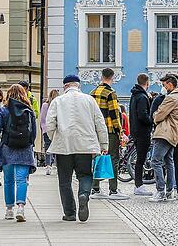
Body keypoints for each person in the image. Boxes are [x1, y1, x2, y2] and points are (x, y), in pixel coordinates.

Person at [45, 75, 108, 222]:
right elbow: (100, 123)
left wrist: (55, 138)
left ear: (65, 86)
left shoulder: (57, 101)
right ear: (78, 86)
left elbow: (49, 124)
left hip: (64, 146)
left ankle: (70, 213)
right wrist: (103, 145)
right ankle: (84, 194)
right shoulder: (89, 100)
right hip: (85, 146)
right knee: (85, 175)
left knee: (64, 180)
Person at [0, 84, 37, 222]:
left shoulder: (3, 110)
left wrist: (2, 137)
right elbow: (34, 133)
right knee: (21, 180)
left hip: (7, 148)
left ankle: (9, 209)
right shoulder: (29, 110)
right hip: (24, 149)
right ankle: (21, 207)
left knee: (8, 180)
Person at [89, 68, 127, 200]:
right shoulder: (110, 93)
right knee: (113, 159)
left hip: (95, 131)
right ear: (112, 77)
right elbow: (115, 115)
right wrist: (120, 131)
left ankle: (95, 188)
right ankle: (113, 189)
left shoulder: (92, 92)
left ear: (101, 76)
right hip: (109, 130)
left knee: (97, 158)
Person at [148, 73, 178, 203]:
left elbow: (158, 115)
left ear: (170, 84)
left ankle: (161, 190)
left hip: (164, 133)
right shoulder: (177, 97)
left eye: (164, 85)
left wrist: (155, 115)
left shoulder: (171, 98)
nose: (163, 87)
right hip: (172, 134)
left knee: (155, 161)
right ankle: (169, 191)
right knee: (169, 162)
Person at [129, 74, 153, 196]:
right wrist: (152, 121)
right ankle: (139, 185)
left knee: (140, 158)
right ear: (147, 83)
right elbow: (143, 115)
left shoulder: (134, 95)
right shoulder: (142, 97)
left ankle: (138, 184)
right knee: (141, 159)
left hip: (135, 130)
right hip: (142, 132)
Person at [40, 90, 59, 175]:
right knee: (58, 148)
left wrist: (44, 129)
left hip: (46, 129)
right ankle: (57, 166)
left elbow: (43, 119)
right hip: (57, 130)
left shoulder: (45, 105)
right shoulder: (59, 105)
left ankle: (48, 165)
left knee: (48, 147)